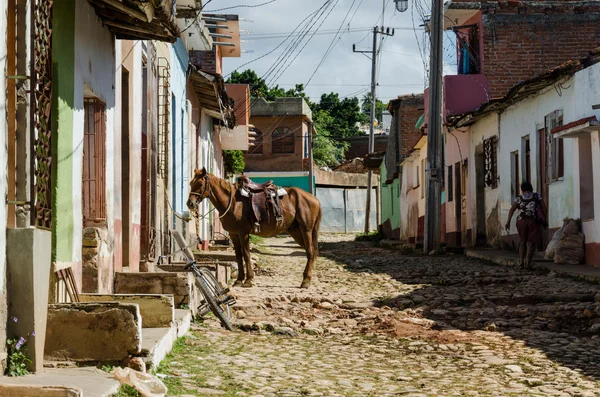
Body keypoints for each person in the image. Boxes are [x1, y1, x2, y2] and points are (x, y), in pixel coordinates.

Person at [505, 181, 548, 269]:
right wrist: (544, 219)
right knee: (531, 243)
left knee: (522, 242)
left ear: (522, 189)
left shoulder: (519, 198)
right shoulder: (537, 196)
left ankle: (521, 263)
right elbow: (544, 208)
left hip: (521, 221)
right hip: (533, 221)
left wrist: (508, 222)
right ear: (531, 188)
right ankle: (528, 264)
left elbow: (511, 209)